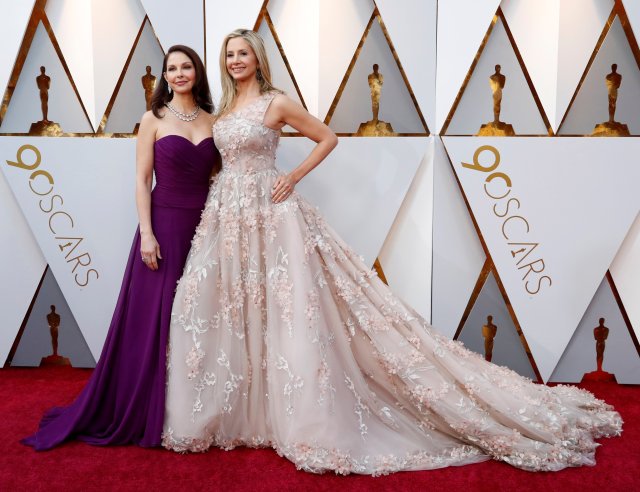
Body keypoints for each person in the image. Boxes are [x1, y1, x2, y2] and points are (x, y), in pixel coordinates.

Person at [162, 30, 622, 474]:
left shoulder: (276, 101)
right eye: (229, 55)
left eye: (243, 53)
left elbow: (327, 137)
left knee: (289, 310)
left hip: (271, 208)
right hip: (227, 215)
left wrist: (293, 176)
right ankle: (245, 413)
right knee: (231, 306)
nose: (235, 61)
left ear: (258, 59)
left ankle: (301, 418)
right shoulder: (221, 107)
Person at [22, 45, 220, 450]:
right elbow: (141, 180)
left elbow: (218, 177)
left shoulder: (214, 121)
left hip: (205, 226)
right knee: (154, 321)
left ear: (197, 74)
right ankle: (147, 410)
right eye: (172, 68)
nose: (179, 74)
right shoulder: (153, 119)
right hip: (164, 224)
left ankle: (191, 410)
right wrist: (147, 233)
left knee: (198, 316)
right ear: (165, 76)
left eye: (186, 67)